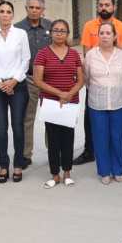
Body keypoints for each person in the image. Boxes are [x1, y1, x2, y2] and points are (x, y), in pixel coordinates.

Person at [76, 0, 122, 165]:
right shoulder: (89, 26)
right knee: (91, 120)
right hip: (95, 80)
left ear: (113, 7)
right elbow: (86, 52)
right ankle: (89, 151)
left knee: (115, 125)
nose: (104, 8)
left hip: (115, 82)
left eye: (107, 5)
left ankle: (113, 156)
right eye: (101, 5)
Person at [0, 0, 31, 183]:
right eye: (1, 11)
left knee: (18, 127)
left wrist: (13, 81)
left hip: (18, 85)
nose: (5, 14)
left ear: (12, 15)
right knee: (1, 128)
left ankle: (18, 164)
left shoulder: (21, 34)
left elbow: (25, 59)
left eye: (8, 11)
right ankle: (4, 165)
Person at [33, 19, 84, 188]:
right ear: (51, 33)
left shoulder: (74, 54)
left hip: (70, 102)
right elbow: (38, 80)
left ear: (67, 34)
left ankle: (67, 172)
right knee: (53, 139)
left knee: (68, 138)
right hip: (51, 103)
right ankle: (55, 174)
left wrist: (69, 94)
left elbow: (81, 79)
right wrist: (59, 93)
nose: (59, 33)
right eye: (56, 30)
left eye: (63, 31)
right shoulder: (43, 53)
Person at [84, 22, 122, 183]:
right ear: (98, 36)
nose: (104, 36)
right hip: (97, 103)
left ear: (115, 36)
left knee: (118, 137)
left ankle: (118, 170)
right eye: (101, 33)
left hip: (120, 102)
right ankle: (104, 171)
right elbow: (87, 79)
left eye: (108, 33)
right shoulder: (90, 55)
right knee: (100, 137)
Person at [15, 0, 52, 165]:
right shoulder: (18, 29)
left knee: (51, 117)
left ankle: (53, 150)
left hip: (48, 80)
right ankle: (25, 155)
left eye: (38, 8)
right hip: (28, 79)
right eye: (31, 7)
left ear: (43, 10)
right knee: (27, 119)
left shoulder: (51, 27)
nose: (34, 10)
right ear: (26, 8)